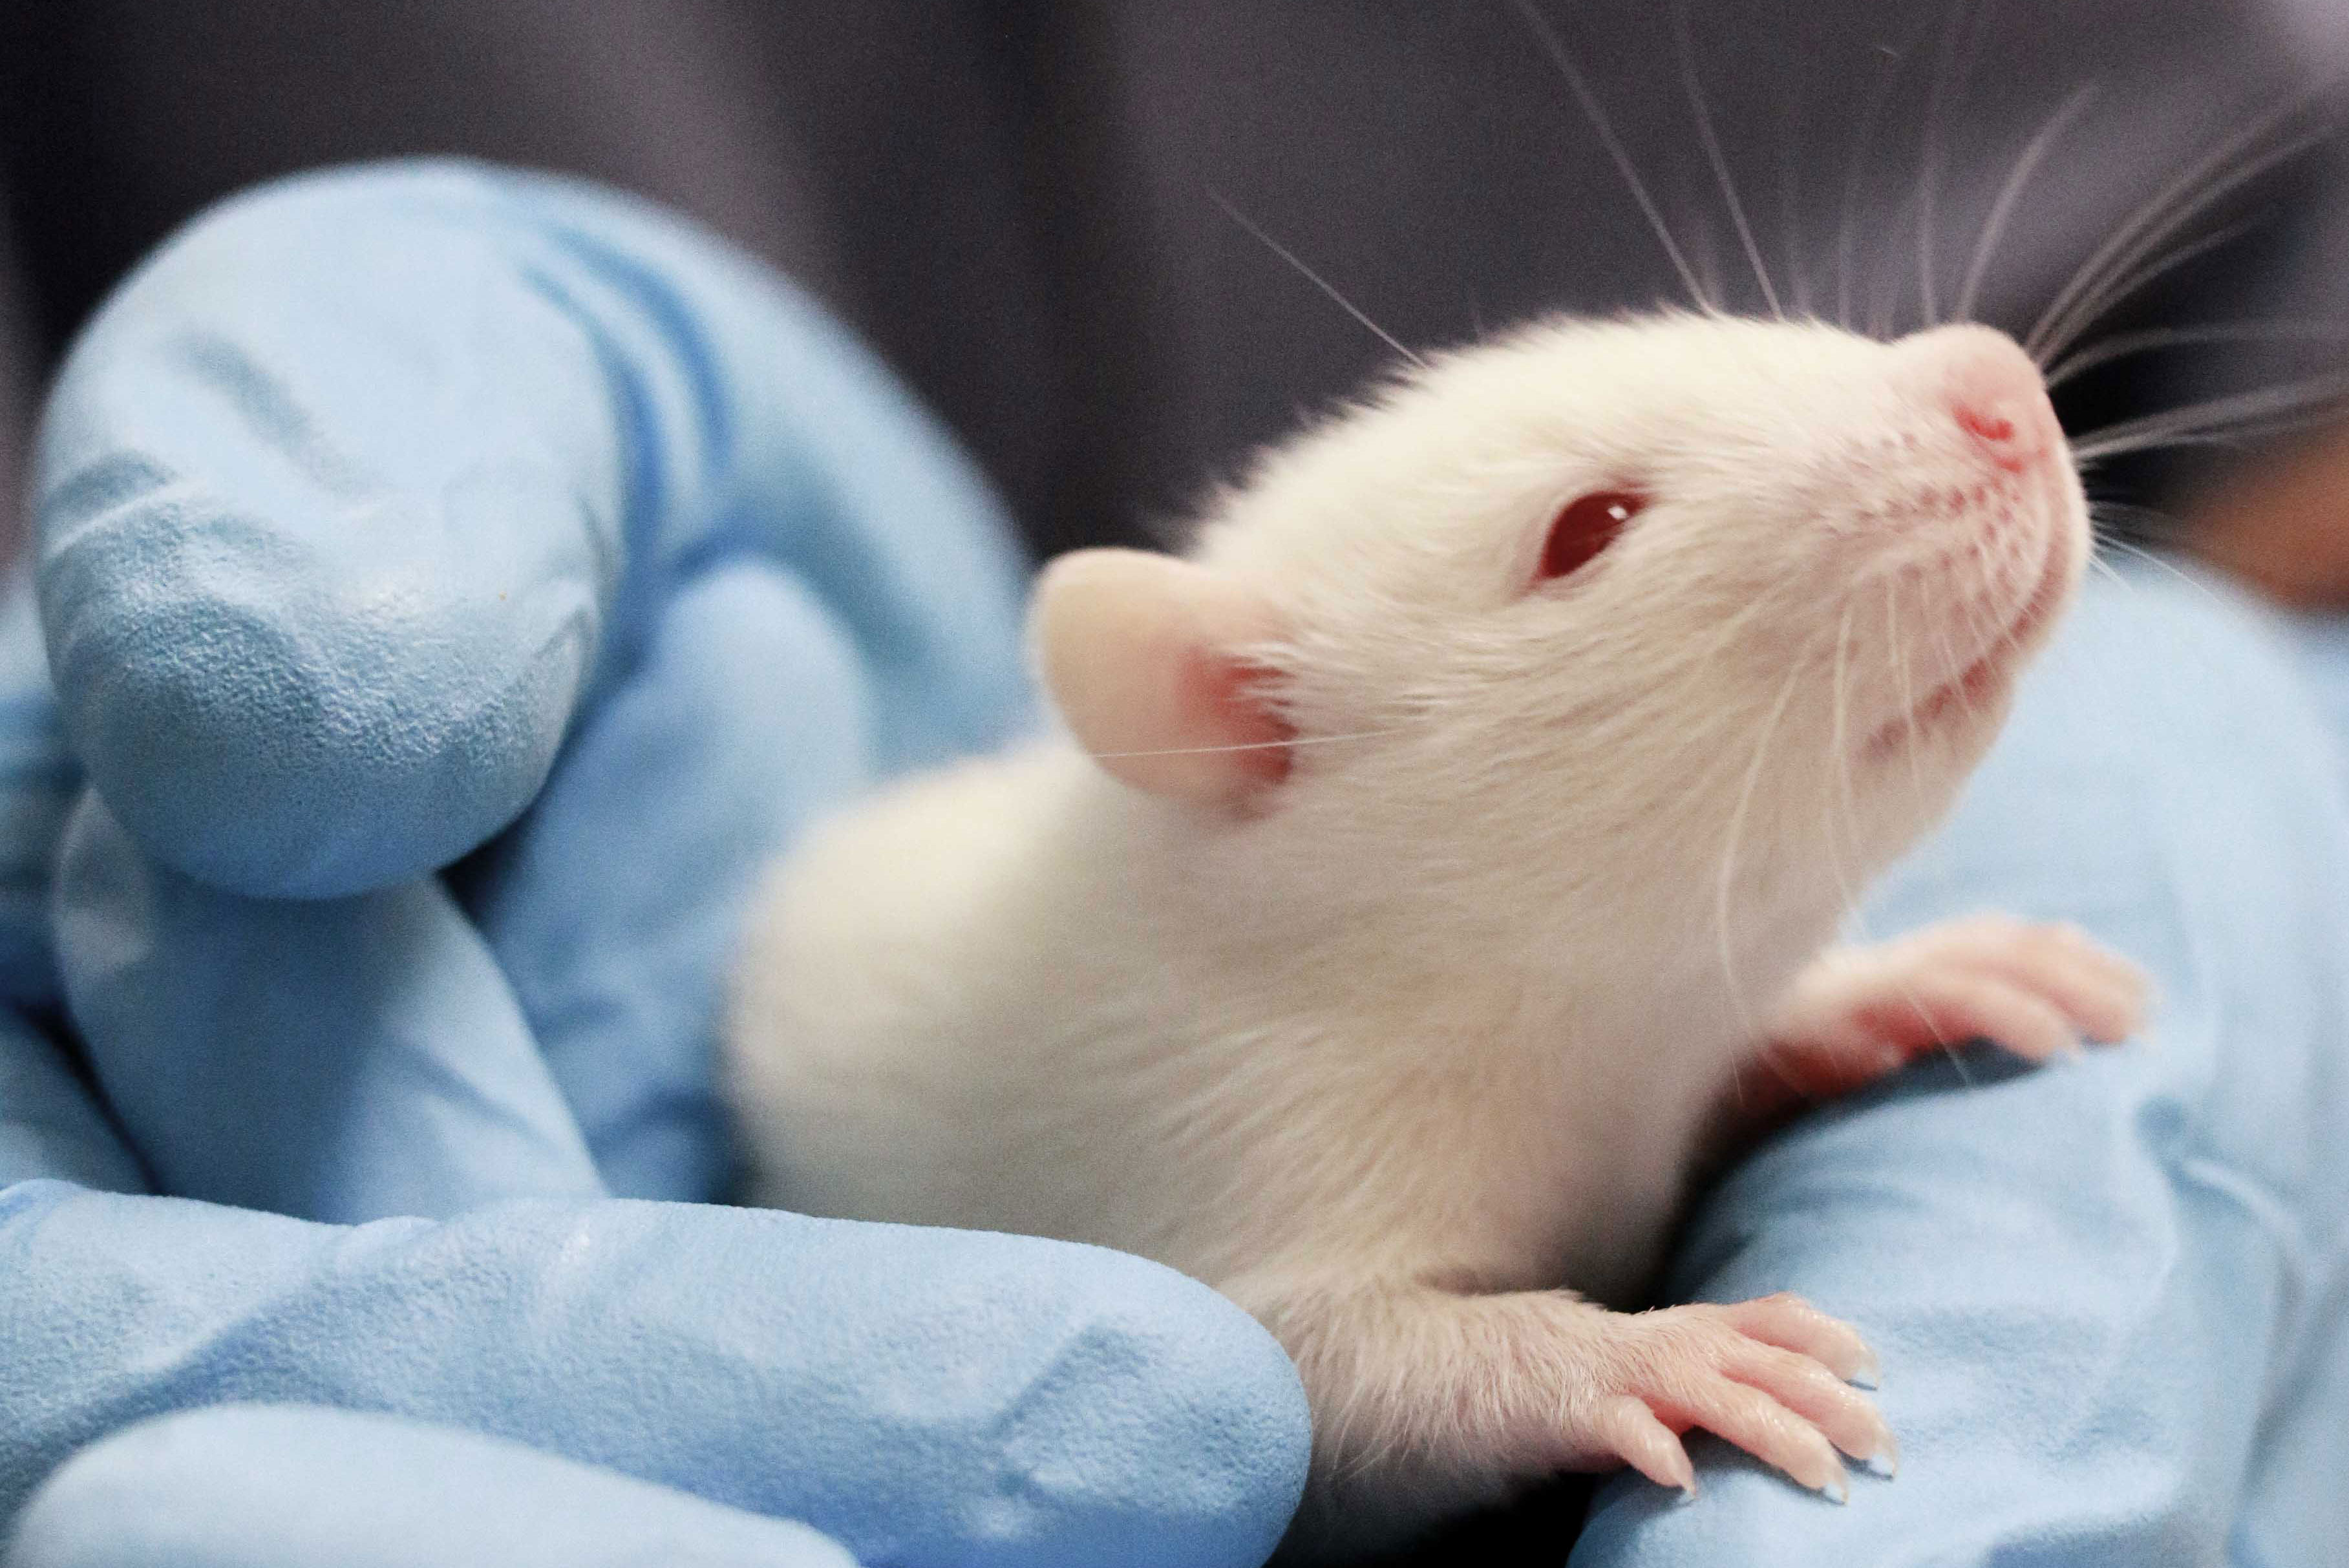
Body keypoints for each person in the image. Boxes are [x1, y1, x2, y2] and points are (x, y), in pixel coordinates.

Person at [1, 4, 2347, 1564]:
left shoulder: (1515, 894)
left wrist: (1786, 1015)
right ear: (1252, 734)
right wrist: (1567, 1355)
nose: (1965, 390)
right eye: (1596, 530)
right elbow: (1287, 1357)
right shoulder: (1277, 1021)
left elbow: (2277, 252)